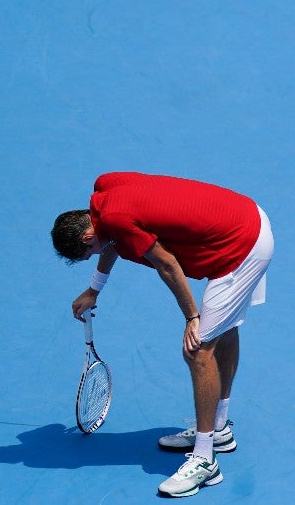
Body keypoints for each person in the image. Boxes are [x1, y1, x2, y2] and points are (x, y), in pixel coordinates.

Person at [51, 172, 273, 498]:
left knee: (198, 350)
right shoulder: (104, 194)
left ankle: (204, 460)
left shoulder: (112, 222)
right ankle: (219, 429)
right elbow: (114, 237)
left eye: (90, 254)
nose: (96, 256)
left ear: (86, 238)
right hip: (247, 215)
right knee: (223, 333)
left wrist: (192, 318)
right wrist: (94, 288)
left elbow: (167, 264)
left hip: (241, 246)